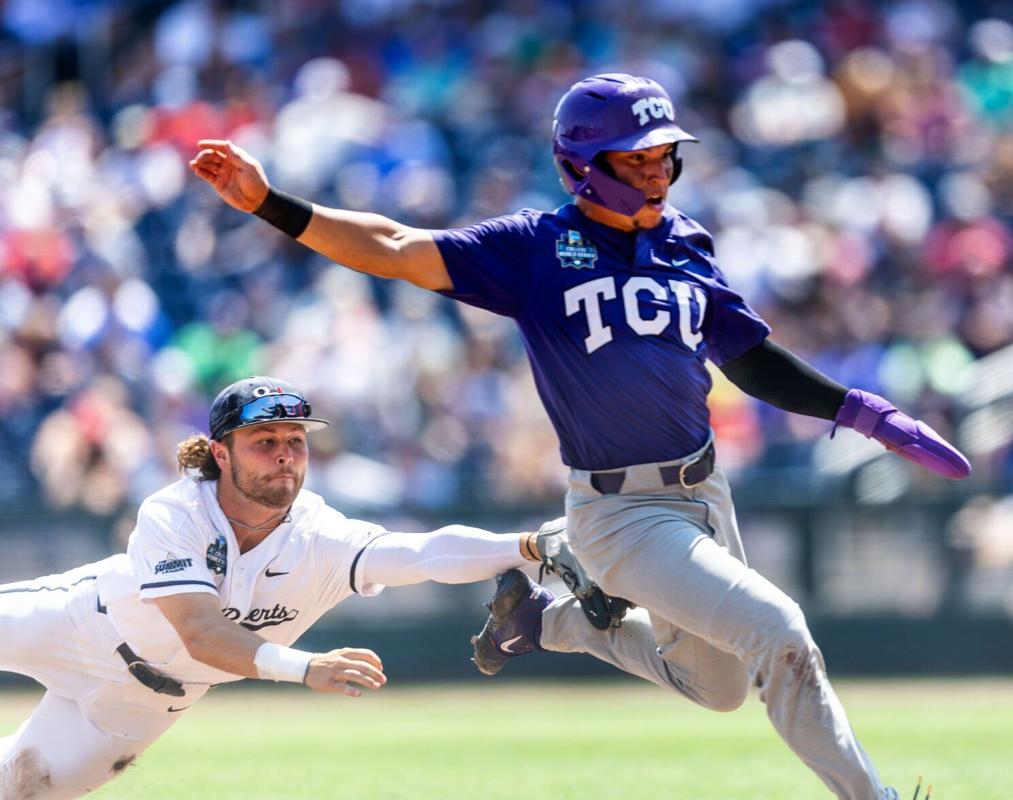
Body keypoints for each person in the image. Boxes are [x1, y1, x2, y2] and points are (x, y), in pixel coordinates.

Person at [190, 73, 971, 800]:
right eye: (639, 159)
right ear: (585, 166)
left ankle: (549, 620)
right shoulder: (536, 248)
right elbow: (394, 248)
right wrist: (271, 203)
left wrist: (865, 413)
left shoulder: (684, 243)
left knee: (722, 687)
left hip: (704, 492)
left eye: (666, 154)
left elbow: (750, 358)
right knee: (781, 632)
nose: (660, 171)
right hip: (619, 511)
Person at [0, 375, 581, 799]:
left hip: (142, 705)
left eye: (295, 441)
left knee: (19, 788)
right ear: (221, 453)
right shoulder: (177, 511)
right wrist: (305, 668)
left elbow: (425, 552)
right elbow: (200, 632)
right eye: (265, 441)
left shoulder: (319, 534)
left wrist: (525, 547)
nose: (285, 456)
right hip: (79, 624)